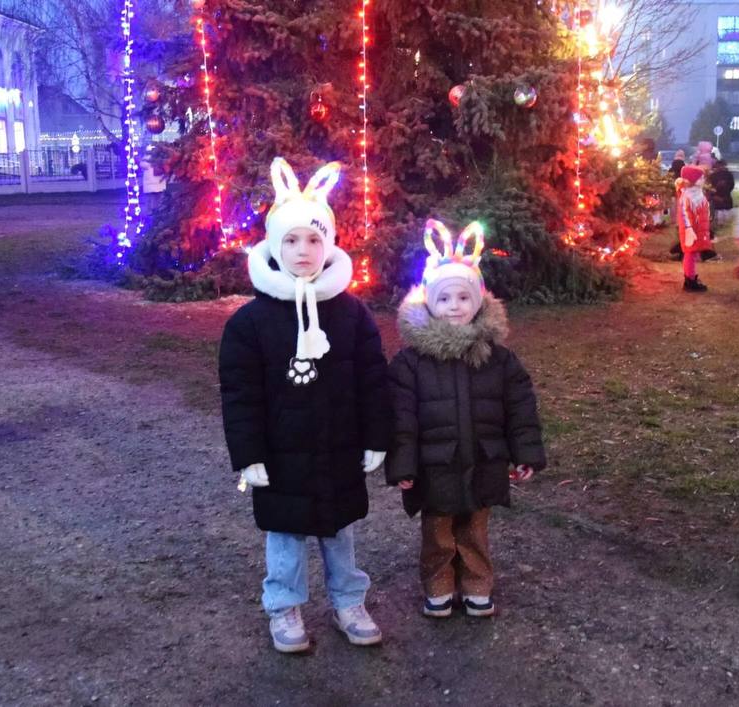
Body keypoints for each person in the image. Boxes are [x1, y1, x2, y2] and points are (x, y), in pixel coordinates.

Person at [218, 157, 393, 654]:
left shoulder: (352, 314)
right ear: (276, 246)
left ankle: (348, 601)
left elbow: (372, 378)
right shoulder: (249, 324)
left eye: (314, 239)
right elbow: (240, 394)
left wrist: (376, 437)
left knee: (339, 530)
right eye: (292, 240)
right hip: (281, 452)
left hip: (338, 445)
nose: (303, 250)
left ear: (329, 244)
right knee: (285, 534)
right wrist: (248, 454)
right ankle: (284, 605)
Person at [386, 219, 546, 619]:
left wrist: (525, 452)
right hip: (434, 466)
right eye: (444, 298)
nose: (454, 306)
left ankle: (477, 584)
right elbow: (401, 417)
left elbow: (520, 408)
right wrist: (402, 464)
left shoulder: (499, 359)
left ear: (478, 301)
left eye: (463, 297)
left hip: (483, 460)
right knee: (438, 531)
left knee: (474, 529)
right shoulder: (410, 363)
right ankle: (438, 584)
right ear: (429, 303)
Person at [676, 165, 713, 292]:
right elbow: (685, 215)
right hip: (691, 231)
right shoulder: (687, 196)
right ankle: (690, 280)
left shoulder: (697, 193)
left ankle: (691, 276)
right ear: (693, 180)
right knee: (690, 253)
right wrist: (689, 229)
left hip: (697, 229)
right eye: (701, 178)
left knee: (693, 253)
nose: (703, 180)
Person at [707, 160, 736, 226]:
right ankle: (723, 224)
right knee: (724, 213)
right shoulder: (728, 174)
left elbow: (710, 187)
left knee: (720, 213)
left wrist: (713, 194)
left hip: (719, 196)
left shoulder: (713, 175)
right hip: (724, 196)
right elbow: (732, 185)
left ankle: (720, 224)